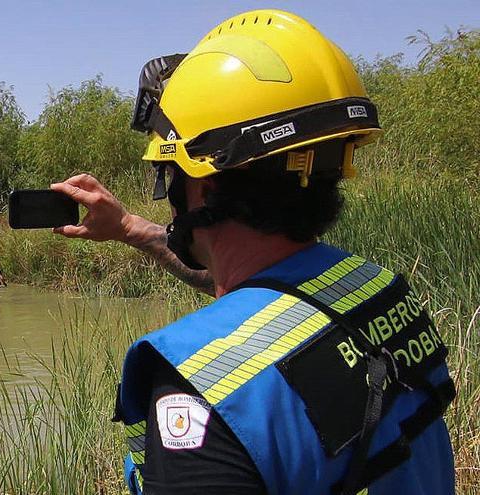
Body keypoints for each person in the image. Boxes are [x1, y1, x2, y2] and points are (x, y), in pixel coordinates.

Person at [51, 10, 454, 495]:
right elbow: (265, 299)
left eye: (169, 172)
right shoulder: (376, 290)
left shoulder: (201, 389)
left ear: (200, 182)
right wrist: (131, 229)